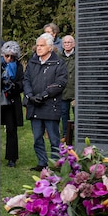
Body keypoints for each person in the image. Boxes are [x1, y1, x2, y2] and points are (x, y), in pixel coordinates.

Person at [23, 33, 68, 171]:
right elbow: (26, 80)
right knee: (37, 137)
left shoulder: (59, 63)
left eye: (42, 45)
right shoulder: (32, 62)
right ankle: (42, 162)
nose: (39, 48)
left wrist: (43, 95)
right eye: (37, 45)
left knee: (54, 138)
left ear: (50, 47)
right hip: (34, 105)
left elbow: (60, 83)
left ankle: (56, 164)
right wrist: (30, 96)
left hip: (50, 105)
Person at [0, 41, 25, 168]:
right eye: (7, 56)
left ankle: (12, 158)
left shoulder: (18, 67)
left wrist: (13, 86)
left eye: (12, 56)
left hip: (11, 101)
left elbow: (22, 83)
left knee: (11, 129)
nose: (9, 59)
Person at [60, 35, 76, 145]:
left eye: (69, 42)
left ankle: (78, 134)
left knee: (77, 114)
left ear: (74, 44)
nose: (67, 44)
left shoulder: (79, 56)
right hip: (63, 91)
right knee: (64, 113)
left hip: (75, 91)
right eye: (65, 42)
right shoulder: (59, 56)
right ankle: (66, 135)